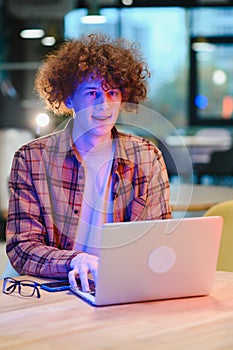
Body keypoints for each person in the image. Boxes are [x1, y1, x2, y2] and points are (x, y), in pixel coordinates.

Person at [6, 33, 172, 292]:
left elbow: (157, 239)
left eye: (112, 92)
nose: (103, 105)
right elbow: (22, 248)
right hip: (57, 287)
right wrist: (75, 260)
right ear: (69, 99)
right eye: (92, 92)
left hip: (124, 286)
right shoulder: (31, 159)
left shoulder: (146, 156)